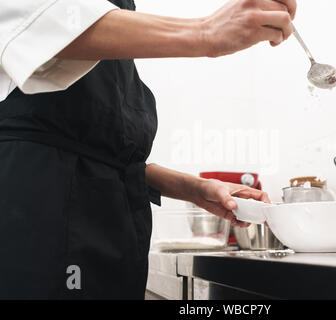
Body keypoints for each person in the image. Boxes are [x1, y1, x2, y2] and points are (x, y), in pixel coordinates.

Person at [0, 0, 296, 299]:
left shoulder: (115, 58)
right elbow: (33, 23)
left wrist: (197, 189)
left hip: (117, 231)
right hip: (38, 219)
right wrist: (205, 31)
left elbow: (109, 158)